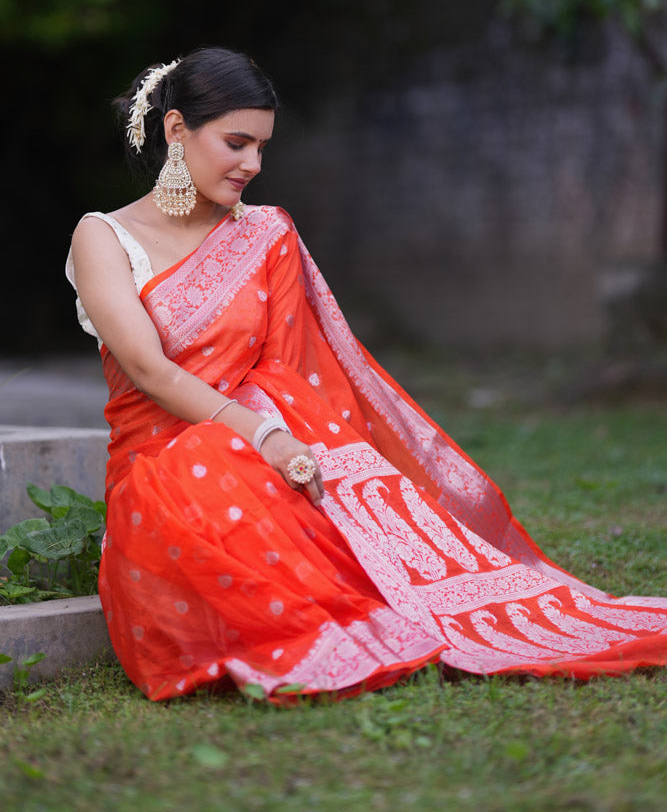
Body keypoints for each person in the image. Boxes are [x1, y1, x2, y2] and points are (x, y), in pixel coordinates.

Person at [67, 46, 667, 703]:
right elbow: (149, 369)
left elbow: (287, 373)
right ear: (177, 129)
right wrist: (260, 436)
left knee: (322, 490)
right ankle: (323, 632)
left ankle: (395, 610)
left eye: (262, 147)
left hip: (267, 446)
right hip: (164, 467)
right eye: (236, 143)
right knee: (211, 468)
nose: (253, 165)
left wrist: (289, 445)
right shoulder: (103, 236)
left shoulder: (265, 234)